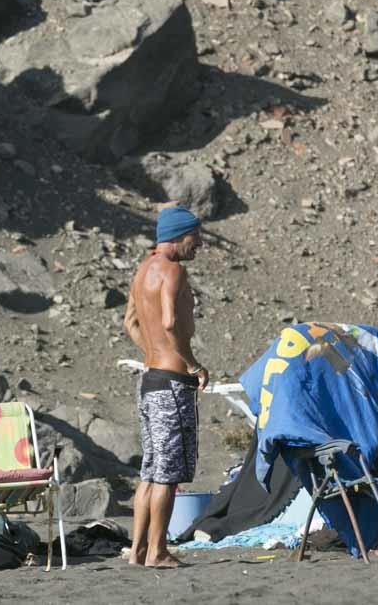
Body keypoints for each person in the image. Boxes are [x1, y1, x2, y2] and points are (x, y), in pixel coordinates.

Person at [122, 206, 208, 567]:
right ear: (179, 236)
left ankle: (137, 551)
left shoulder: (142, 272)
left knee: (150, 471)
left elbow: (130, 321)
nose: (199, 245)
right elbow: (171, 322)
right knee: (168, 474)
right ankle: (157, 551)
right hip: (172, 383)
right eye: (195, 238)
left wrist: (152, 353)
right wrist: (191, 363)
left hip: (151, 378)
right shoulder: (173, 270)